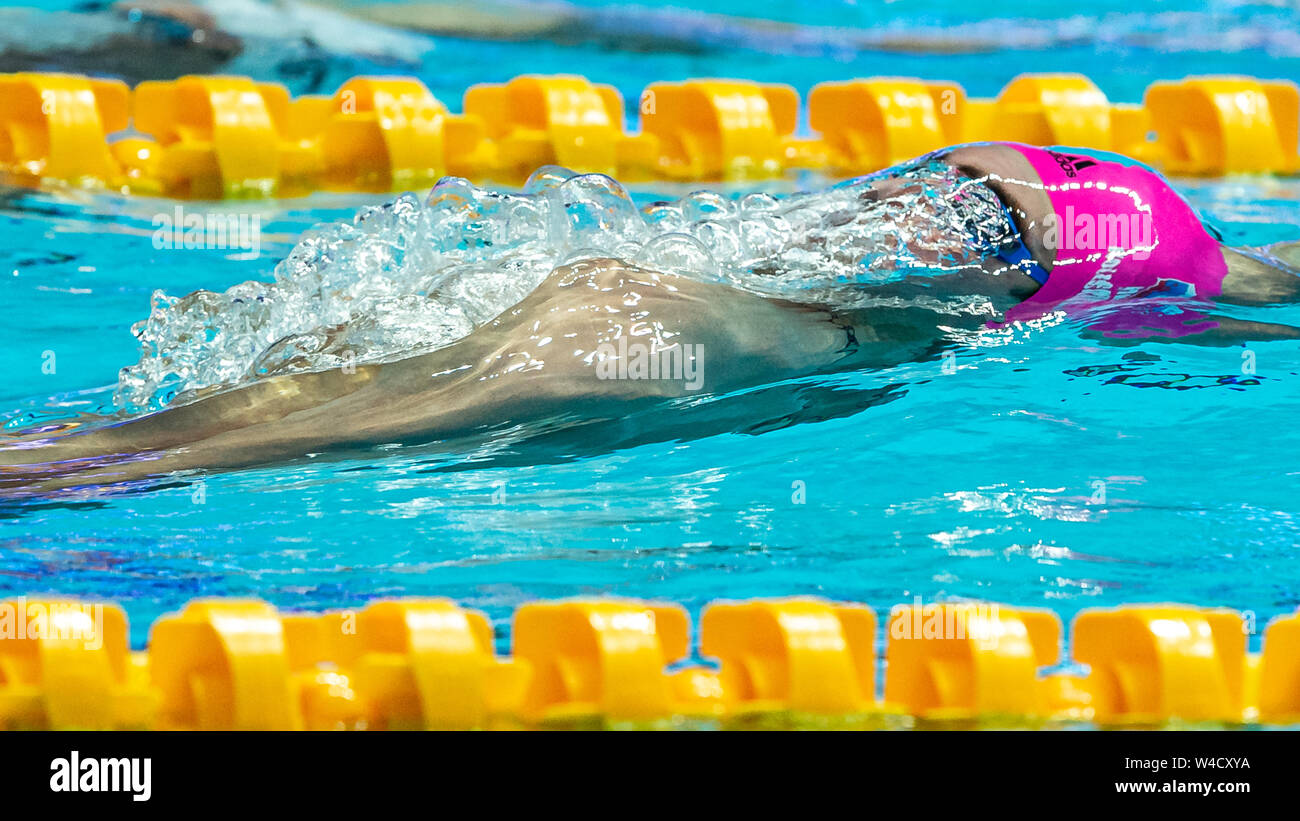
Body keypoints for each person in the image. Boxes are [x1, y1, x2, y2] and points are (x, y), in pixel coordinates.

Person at [3, 142, 1298, 495]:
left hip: (656, 320)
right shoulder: (1151, 257)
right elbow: (958, 226)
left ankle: (45, 456)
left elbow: (962, 195)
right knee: (216, 451)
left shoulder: (1148, 212)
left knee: (205, 427)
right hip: (656, 345)